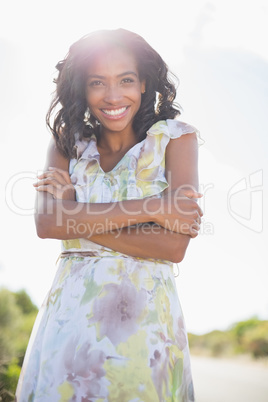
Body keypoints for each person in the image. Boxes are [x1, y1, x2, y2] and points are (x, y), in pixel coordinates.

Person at [16, 28, 203, 401]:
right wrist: (152, 208)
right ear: (82, 89)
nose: (113, 96)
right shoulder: (67, 142)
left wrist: (76, 214)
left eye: (126, 80)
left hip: (146, 329)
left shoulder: (175, 140)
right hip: (68, 325)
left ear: (144, 83)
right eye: (97, 82)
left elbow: (172, 246)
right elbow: (47, 224)